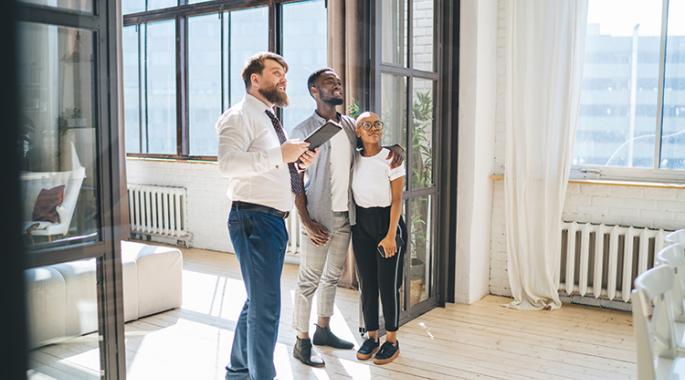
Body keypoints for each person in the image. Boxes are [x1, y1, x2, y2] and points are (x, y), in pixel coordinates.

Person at [290, 68, 404, 367]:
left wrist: (395, 148)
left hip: (347, 217)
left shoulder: (350, 125)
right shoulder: (302, 131)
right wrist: (305, 220)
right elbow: (293, 179)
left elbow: (372, 143)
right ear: (315, 91)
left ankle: (323, 330)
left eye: (339, 82)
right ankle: (301, 340)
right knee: (309, 280)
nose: (337, 85)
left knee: (331, 277)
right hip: (317, 215)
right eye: (330, 82)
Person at [216, 52, 319, 380]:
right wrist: (280, 153)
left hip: (271, 221)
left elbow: (270, 166)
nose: (283, 79)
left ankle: (237, 371)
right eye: (276, 73)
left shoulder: (269, 118)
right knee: (267, 308)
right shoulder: (239, 116)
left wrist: (296, 162)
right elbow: (227, 164)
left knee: (257, 302)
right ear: (254, 79)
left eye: (284, 73)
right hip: (254, 220)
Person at [350, 111, 407, 366]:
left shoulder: (392, 158)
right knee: (368, 286)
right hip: (362, 226)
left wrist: (391, 236)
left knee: (387, 286)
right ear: (358, 132)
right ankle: (372, 336)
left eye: (377, 124)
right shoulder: (353, 160)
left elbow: (397, 200)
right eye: (366, 125)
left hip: (388, 226)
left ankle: (392, 341)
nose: (373, 128)